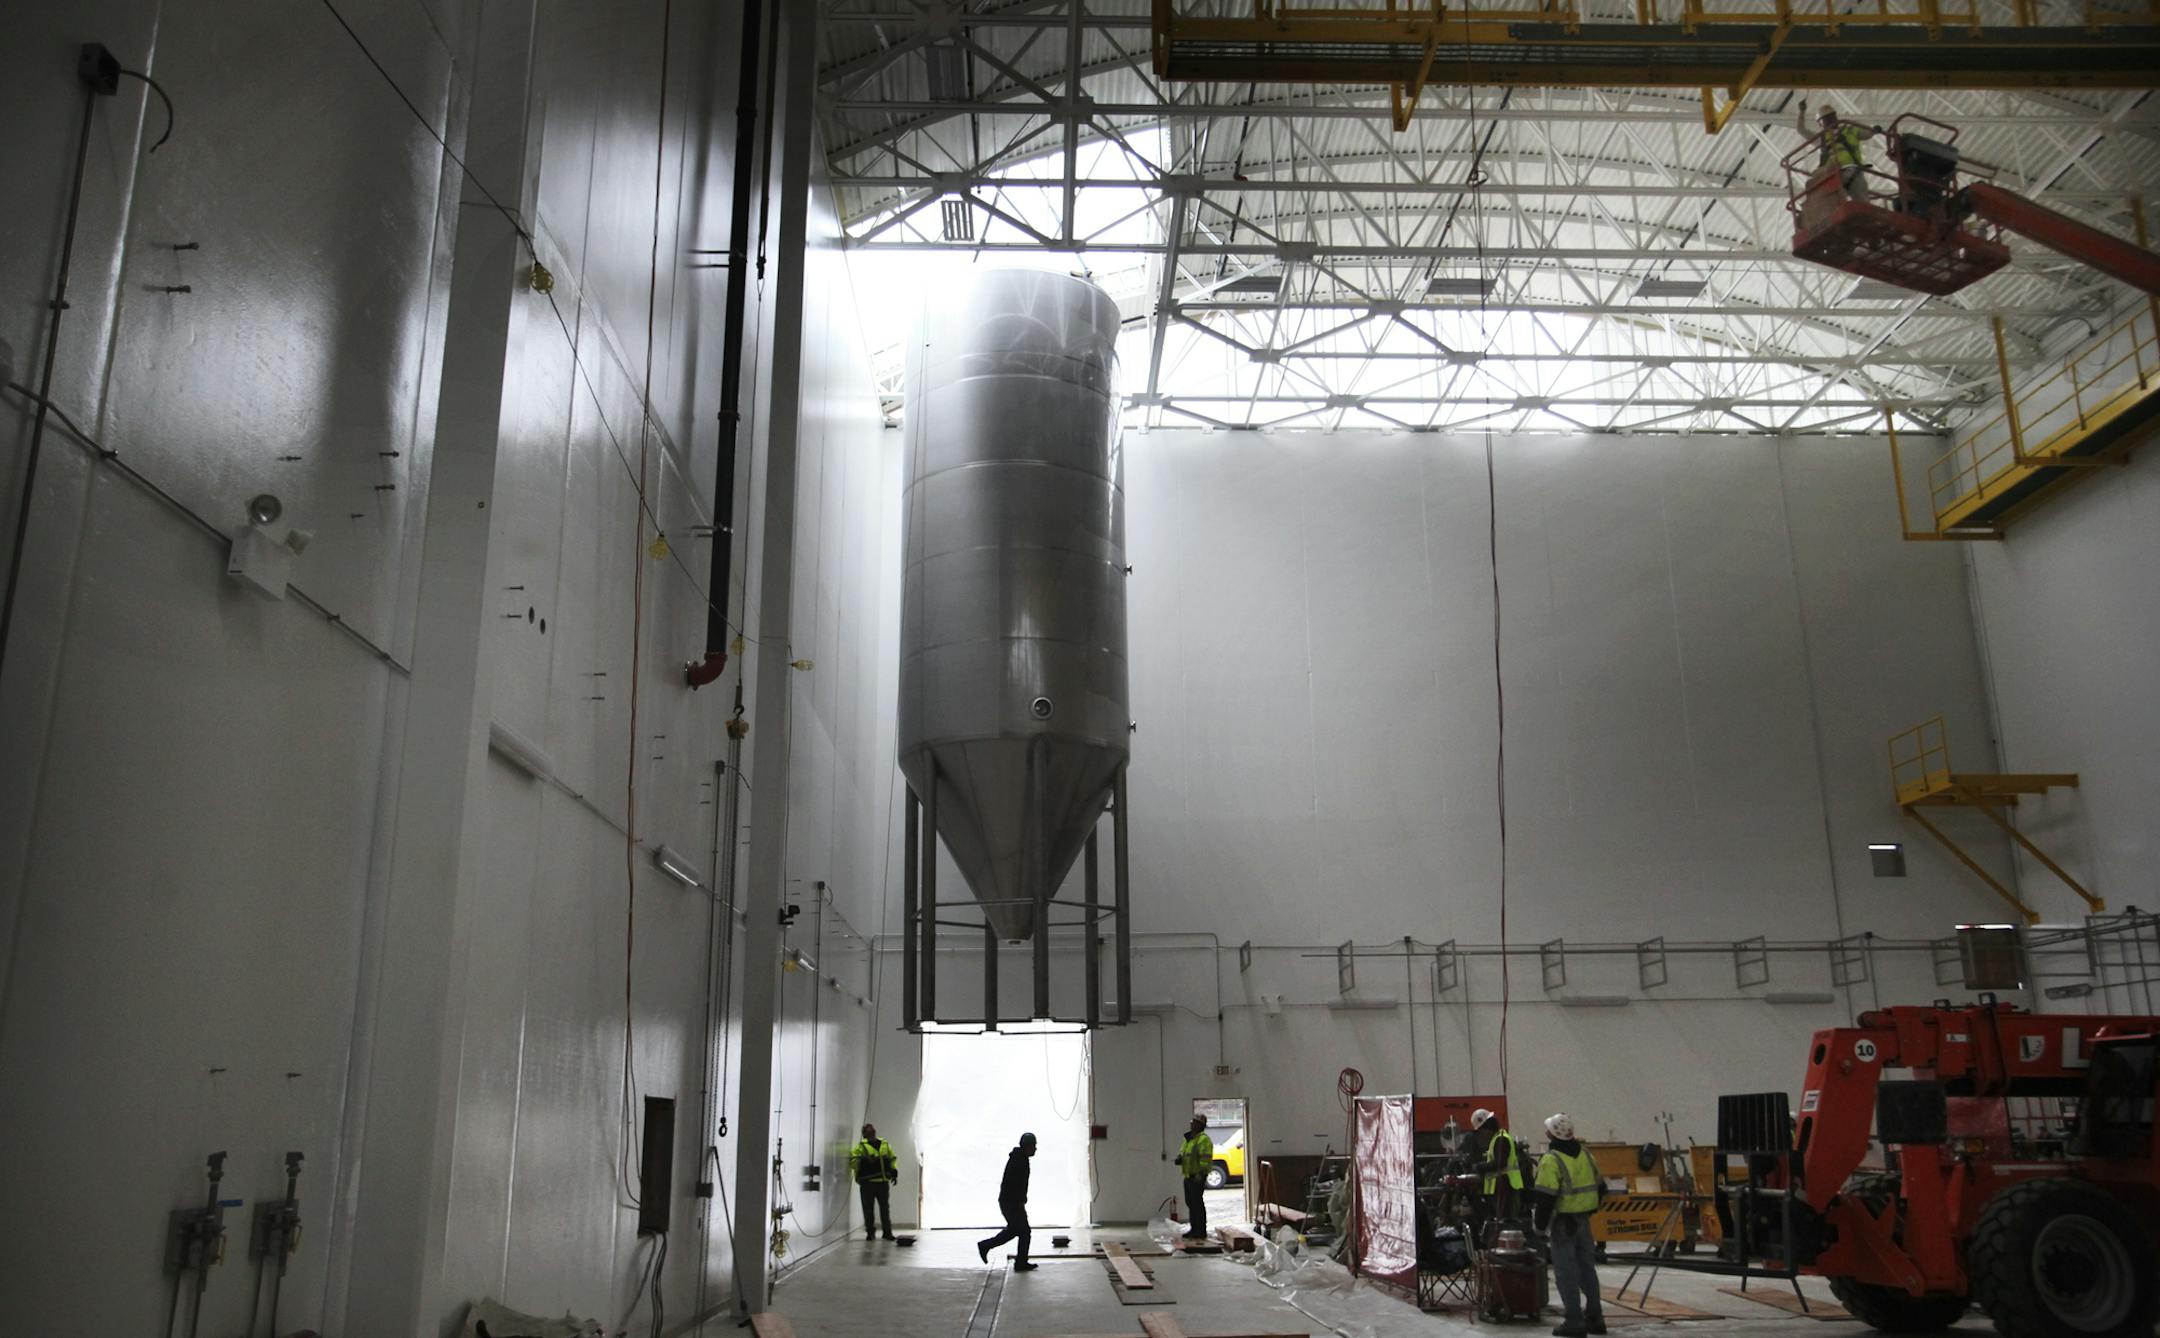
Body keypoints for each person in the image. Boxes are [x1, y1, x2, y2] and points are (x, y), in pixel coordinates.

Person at [1532, 1112, 1608, 1338]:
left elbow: (1545, 1198)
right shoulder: (1586, 1155)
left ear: (1551, 1134)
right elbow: (1601, 1188)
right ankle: (1595, 1318)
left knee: (1566, 1273)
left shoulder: (1551, 1160)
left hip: (1563, 1223)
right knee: (1587, 1269)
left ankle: (1574, 1321)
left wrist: (1539, 1227)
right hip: (1584, 1220)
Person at [976, 1131, 1038, 1271]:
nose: (1035, 1149)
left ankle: (986, 1246)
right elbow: (1016, 1185)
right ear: (1027, 1146)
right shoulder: (1019, 1161)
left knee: (1015, 1230)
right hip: (1011, 1203)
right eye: (1033, 1146)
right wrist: (1020, 1204)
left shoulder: (1020, 1158)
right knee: (1024, 1232)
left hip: (1009, 1202)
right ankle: (1020, 1262)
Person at [1469, 1107, 1524, 1242]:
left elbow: (1500, 1163)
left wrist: (1479, 1167)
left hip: (1505, 1187)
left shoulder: (1501, 1139)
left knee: (1505, 1224)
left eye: (1481, 1131)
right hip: (1503, 1187)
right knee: (1501, 1223)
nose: (1481, 1135)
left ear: (1486, 1128)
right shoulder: (1498, 1138)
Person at [1802, 104, 1873, 202]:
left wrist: (1858, 124)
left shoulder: (1850, 130)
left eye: (1831, 117)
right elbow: (1801, 130)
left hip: (1853, 171)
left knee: (1863, 203)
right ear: (1820, 124)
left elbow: (1868, 133)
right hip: (1833, 173)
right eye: (1826, 119)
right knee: (1833, 202)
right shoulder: (1821, 138)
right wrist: (1802, 112)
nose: (1829, 121)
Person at [847, 1121, 899, 1241]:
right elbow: (853, 1162)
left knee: (885, 1208)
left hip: (882, 1182)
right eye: (868, 1131)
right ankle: (870, 1232)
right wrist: (863, 1161)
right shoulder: (860, 1147)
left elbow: (892, 1158)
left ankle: (887, 1232)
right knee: (868, 1209)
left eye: (872, 1130)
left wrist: (894, 1170)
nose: (871, 1132)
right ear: (864, 1134)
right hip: (867, 1183)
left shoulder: (884, 1144)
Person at [1177, 1115, 1214, 1241]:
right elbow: (1183, 1151)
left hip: (1198, 1176)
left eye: (1194, 1122)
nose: (1191, 1124)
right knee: (1190, 1203)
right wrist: (1180, 1158)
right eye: (1191, 1121)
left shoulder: (1203, 1140)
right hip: (1188, 1175)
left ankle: (1201, 1230)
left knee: (1197, 1203)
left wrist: (1201, 1174)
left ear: (1200, 1125)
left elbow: (1206, 1158)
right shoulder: (1189, 1138)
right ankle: (1194, 1229)